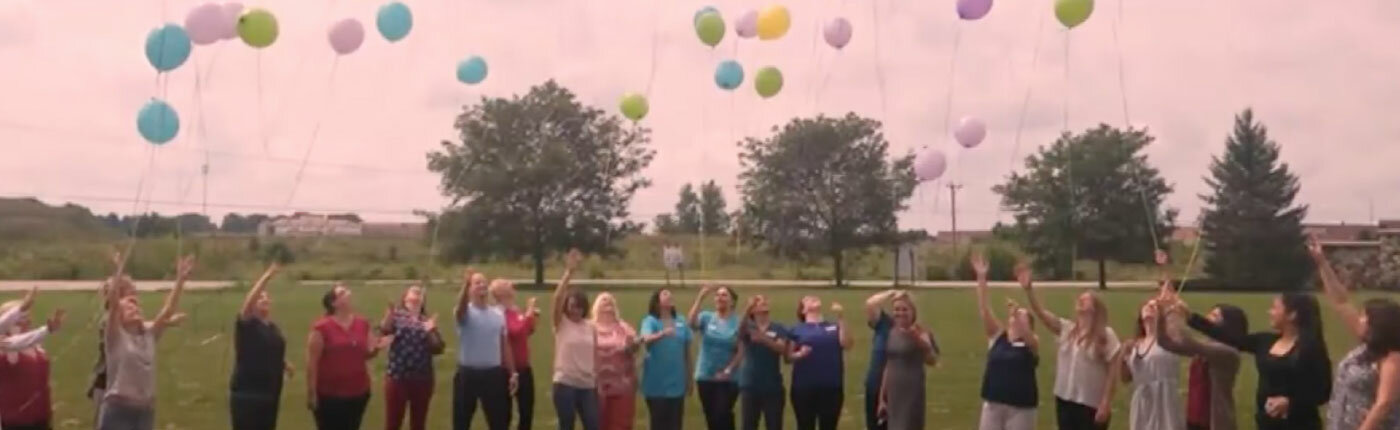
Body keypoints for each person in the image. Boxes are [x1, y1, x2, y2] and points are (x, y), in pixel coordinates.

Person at [1186, 289, 1332, 430]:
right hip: (1266, 424)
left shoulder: (1311, 349)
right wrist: (1189, 316)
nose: (1270, 312)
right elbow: (1229, 337)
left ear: (1292, 315)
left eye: (1275, 308)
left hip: (1300, 425)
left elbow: (1322, 392)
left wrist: (1290, 403)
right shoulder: (1265, 341)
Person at [1308, 237, 1400, 430]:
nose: (1360, 319)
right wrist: (1322, 263)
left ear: (1380, 324)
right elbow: (1341, 302)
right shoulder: (1368, 345)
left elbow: (1384, 404)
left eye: (1365, 316)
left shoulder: (1392, 359)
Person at [1150, 249, 1245, 430]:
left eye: (1216, 316)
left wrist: (1174, 310)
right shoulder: (1205, 349)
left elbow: (1186, 341)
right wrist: (1162, 314)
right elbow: (1165, 342)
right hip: (1194, 421)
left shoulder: (1228, 353)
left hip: (1215, 424)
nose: (1208, 317)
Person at [98, 254, 195, 430]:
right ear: (118, 316)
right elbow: (112, 302)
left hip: (145, 411)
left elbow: (168, 310)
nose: (134, 308)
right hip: (118, 410)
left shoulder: (149, 335)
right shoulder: (115, 336)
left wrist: (180, 280)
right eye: (128, 307)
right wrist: (119, 270)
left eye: (136, 306)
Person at [1021, 268, 1120, 430]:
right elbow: (1041, 314)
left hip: (1091, 404)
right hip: (1065, 399)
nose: (1080, 300)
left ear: (1095, 308)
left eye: (1086, 299)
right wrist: (1029, 290)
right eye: (1080, 298)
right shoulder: (1067, 329)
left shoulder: (1106, 335)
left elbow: (1112, 373)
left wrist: (1106, 402)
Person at [972, 255, 1038, 430]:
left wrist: (1018, 315)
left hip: (1021, 408)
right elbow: (984, 308)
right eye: (1013, 317)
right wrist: (981, 277)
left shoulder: (1031, 345)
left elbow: (1031, 338)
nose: (1015, 318)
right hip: (993, 405)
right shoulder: (998, 338)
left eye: (1021, 317)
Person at [1098, 296, 1184, 430]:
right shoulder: (1136, 344)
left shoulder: (1169, 339)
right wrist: (1123, 355)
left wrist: (1169, 299)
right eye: (1147, 305)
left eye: (1155, 306)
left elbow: (1176, 314)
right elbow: (1125, 378)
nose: (1150, 307)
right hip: (1142, 403)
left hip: (1165, 401)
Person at [307, 282, 384, 430]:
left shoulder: (362, 323)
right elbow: (312, 363)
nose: (348, 293)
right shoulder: (321, 327)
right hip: (330, 394)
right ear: (334, 303)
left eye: (347, 291)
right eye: (342, 293)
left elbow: (367, 355)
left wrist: (377, 348)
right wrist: (312, 393)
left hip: (358, 391)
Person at [453, 270, 519, 430]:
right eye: (477, 283)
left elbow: (505, 345)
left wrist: (513, 372)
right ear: (469, 289)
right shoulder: (465, 312)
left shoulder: (497, 314)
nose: (482, 285)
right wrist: (465, 285)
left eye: (484, 282)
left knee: (499, 421)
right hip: (468, 375)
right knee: (462, 422)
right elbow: (460, 310)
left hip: (493, 374)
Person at [231, 263, 293, 430]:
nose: (264, 299)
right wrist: (266, 277)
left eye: (266, 297)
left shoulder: (272, 327)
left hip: (270, 392)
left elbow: (270, 349)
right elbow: (247, 303)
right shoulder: (247, 324)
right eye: (260, 297)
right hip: (249, 394)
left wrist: (285, 364)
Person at [380, 283, 445, 430]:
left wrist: (431, 330)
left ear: (423, 300)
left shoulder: (426, 320)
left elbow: (438, 348)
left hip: (422, 378)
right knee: (393, 423)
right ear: (405, 298)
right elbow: (385, 330)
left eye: (420, 293)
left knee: (418, 423)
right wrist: (389, 315)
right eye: (413, 292)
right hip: (397, 377)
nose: (417, 294)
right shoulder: (397, 315)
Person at [0, 288, 65, 430]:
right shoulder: (4, 345)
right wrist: (45, 330)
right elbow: (15, 343)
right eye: (22, 317)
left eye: (28, 316)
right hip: (16, 422)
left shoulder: (35, 344)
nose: (27, 320)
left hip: (42, 416)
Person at [551, 250, 600, 430]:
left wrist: (597, 378)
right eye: (572, 306)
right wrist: (569, 273)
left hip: (587, 384)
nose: (575, 311)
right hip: (565, 383)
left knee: (593, 424)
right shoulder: (561, 323)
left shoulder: (590, 326)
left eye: (579, 307)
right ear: (567, 307)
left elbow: (594, 354)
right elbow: (556, 298)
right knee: (567, 424)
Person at [788, 295, 851, 430]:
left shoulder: (834, 326)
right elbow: (788, 357)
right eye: (808, 299)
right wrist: (800, 354)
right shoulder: (797, 329)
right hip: (804, 388)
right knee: (805, 425)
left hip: (831, 387)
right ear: (803, 310)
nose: (813, 298)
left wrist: (841, 317)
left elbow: (847, 344)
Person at [877, 292, 938, 430]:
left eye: (905, 309)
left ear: (913, 311)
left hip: (911, 391)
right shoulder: (892, 332)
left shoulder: (921, 331)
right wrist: (882, 398)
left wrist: (917, 339)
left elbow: (932, 360)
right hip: (894, 392)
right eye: (897, 309)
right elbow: (889, 364)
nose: (900, 313)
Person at [689, 285, 742, 430]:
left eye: (724, 295)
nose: (720, 298)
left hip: (728, 378)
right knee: (711, 417)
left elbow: (741, 351)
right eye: (717, 295)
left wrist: (728, 370)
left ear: (732, 302)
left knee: (722, 414)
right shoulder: (707, 317)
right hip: (705, 375)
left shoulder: (738, 322)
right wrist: (700, 298)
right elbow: (691, 323)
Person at [639, 288, 692, 430]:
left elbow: (687, 353)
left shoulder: (680, 321)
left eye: (670, 293)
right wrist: (662, 333)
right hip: (656, 386)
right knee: (658, 424)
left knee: (675, 425)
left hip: (677, 385)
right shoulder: (650, 321)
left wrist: (689, 379)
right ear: (657, 302)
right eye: (665, 294)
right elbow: (646, 339)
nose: (669, 295)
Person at [491, 275, 539, 430]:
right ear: (499, 293)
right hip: (504, 371)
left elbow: (527, 330)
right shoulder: (497, 313)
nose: (510, 283)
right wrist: (529, 313)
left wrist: (530, 317)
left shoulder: (515, 310)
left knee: (527, 412)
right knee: (503, 415)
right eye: (505, 283)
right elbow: (514, 330)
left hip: (524, 368)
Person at [736, 295, 789, 430]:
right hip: (750, 385)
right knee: (748, 425)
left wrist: (763, 339)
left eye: (765, 301)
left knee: (774, 425)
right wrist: (748, 307)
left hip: (773, 386)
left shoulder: (778, 328)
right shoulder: (749, 327)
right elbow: (738, 331)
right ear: (753, 311)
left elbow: (782, 349)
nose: (763, 302)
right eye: (758, 302)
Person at [592, 292, 638, 430]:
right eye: (603, 300)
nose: (607, 303)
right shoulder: (589, 327)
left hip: (622, 386)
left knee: (621, 425)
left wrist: (634, 345)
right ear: (596, 306)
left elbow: (633, 349)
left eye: (610, 301)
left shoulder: (624, 328)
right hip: (596, 387)